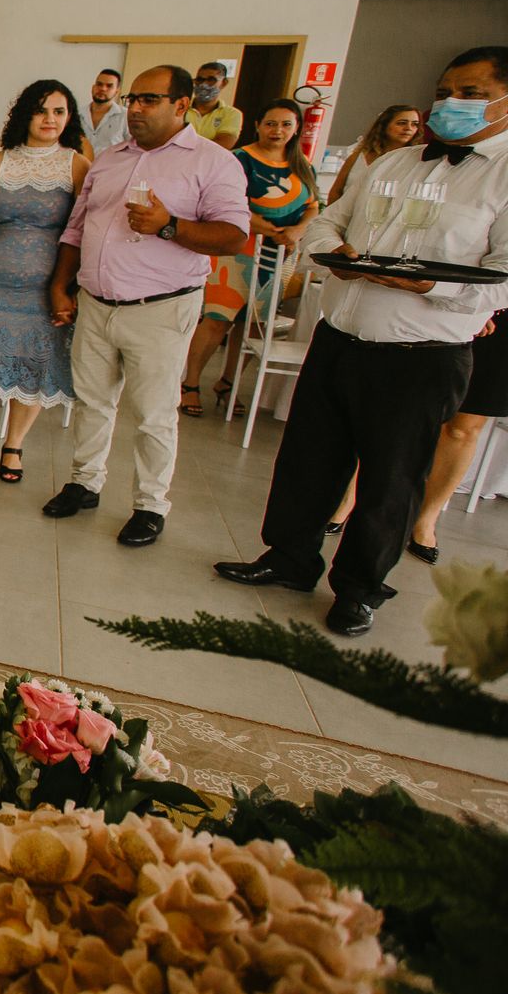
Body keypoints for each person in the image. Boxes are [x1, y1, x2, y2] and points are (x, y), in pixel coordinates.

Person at [216, 47, 508, 636]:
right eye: (447, 89)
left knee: (390, 478)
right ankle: (289, 558)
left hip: (420, 353)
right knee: (308, 459)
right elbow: (329, 218)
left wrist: (427, 281)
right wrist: (339, 254)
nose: (451, 103)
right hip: (341, 335)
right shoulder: (395, 162)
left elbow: (501, 275)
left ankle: (360, 587)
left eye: (472, 94)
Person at [41, 65, 249, 546]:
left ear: (182, 105)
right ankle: (84, 482)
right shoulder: (111, 158)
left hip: (160, 307)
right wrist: (61, 285)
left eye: (149, 100)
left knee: (154, 413)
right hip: (96, 302)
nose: (135, 108)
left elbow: (234, 236)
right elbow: (76, 228)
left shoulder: (212, 162)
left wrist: (169, 225)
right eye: (133, 98)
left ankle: (150, 505)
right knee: (92, 401)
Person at [0, 81, 90, 482]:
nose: (50, 119)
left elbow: (83, 230)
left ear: (68, 118)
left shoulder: (76, 165)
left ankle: (14, 444)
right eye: (42, 110)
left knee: (34, 361)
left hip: (48, 284)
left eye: (59, 112)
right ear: (25, 115)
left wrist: (70, 287)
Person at [181, 99, 319, 417]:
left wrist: (297, 230)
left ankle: (228, 382)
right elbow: (225, 200)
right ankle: (190, 383)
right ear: (257, 125)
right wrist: (266, 227)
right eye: (271, 123)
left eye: (286, 124)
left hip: (280, 254)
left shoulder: (301, 164)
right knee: (218, 319)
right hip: (237, 249)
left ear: (296, 128)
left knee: (254, 325)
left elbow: (313, 205)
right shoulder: (240, 159)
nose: (278, 130)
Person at [407, 310, 507, 563]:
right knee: (395, 413)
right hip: (448, 306)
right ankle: (349, 502)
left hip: (501, 327)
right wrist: (479, 306)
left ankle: (426, 519)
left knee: (463, 428)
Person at [324, 104, 421, 205]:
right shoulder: (358, 157)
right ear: (384, 125)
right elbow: (336, 192)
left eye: (415, 124)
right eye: (401, 123)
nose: (408, 128)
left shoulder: (414, 162)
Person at [187, 61, 242, 149]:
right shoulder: (179, 108)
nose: (203, 85)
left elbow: (223, 145)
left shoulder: (231, 114)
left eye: (211, 80)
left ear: (224, 83)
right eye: (200, 80)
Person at [82, 68, 129, 158]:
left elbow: (133, 148)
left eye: (109, 86)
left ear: (117, 91)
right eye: (99, 84)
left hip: (111, 170)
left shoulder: (125, 116)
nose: (103, 89)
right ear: (93, 87)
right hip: (79, 169)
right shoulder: (77, 115)